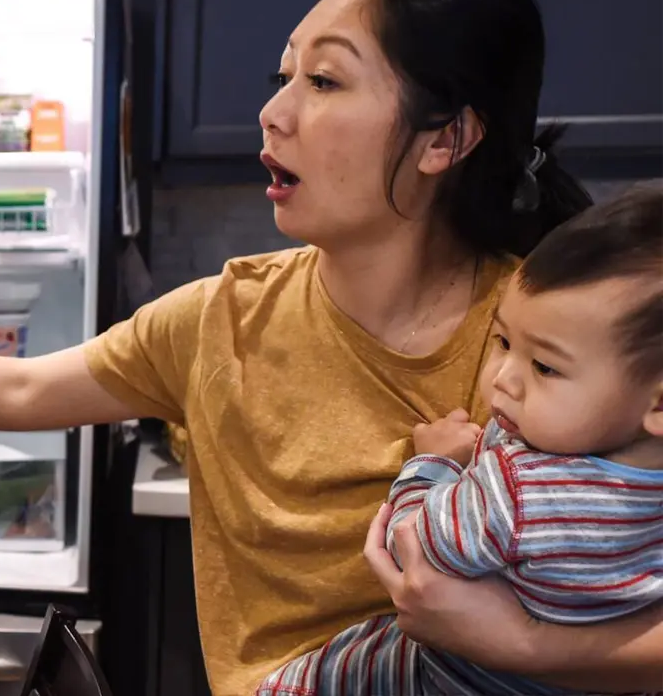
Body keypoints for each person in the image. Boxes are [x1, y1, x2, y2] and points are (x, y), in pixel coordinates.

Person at [0, 0, 663, 693]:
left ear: (443, 139)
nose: (272, 113)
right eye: (283, 78)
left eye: (324, 81)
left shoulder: (536, 349)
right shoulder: (224, 318)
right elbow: (25, 384)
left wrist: (521, 646)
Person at [256, 184, 663, 695]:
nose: (502, 379)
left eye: (545, 366)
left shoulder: (517, 493)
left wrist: (433, 465)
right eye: (504, 342)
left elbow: (411, 553)